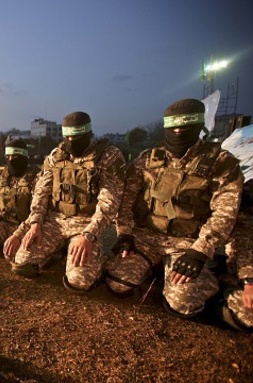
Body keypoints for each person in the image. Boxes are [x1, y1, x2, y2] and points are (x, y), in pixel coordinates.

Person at [105, 99, 244, 319]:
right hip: (147, 237)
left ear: (199, 127)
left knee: (183, 303)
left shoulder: (221, 163)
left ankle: (211, 281)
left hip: (188, 243)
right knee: (117, 283)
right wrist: (125, 234)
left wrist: (200, 251)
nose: (178, 132)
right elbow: (126, 202)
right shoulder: (147, 160)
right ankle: (157, 270)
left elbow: (225, 212)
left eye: (185, 128)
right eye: (173, 128)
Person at [9, 111, 125, 292]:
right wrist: (36, 223)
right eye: (67, 137)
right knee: (22, 263)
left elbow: (109, 201)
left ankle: (98, 258)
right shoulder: (57, 156)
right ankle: (58, 251)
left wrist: (89, 236)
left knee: (79, 280)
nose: (71, 141)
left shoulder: (108, 156)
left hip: (85, 225)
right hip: (55, 221)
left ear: (88, 134)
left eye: (76, 137)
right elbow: (41, 191)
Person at [218, 179, 253, 331]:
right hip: (242, 270)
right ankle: (219, 299)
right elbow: (243, 245)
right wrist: (249, 282)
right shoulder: (248, 195)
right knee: (248, 315)